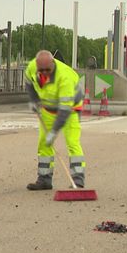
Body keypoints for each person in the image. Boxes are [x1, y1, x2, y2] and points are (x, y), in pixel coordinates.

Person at [25, 50, 85, 190]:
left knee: (72, 143)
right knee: (44, 143)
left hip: (70, 111)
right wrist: (34, 100)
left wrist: (54, 131)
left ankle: (78, 181)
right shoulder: (33, 67)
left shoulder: (65, 78)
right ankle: (44, 179)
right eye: (42, 70)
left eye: (47, 69)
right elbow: (28, 81)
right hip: (47, 109)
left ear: (53, 63)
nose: (45, 72)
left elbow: (64, 110)